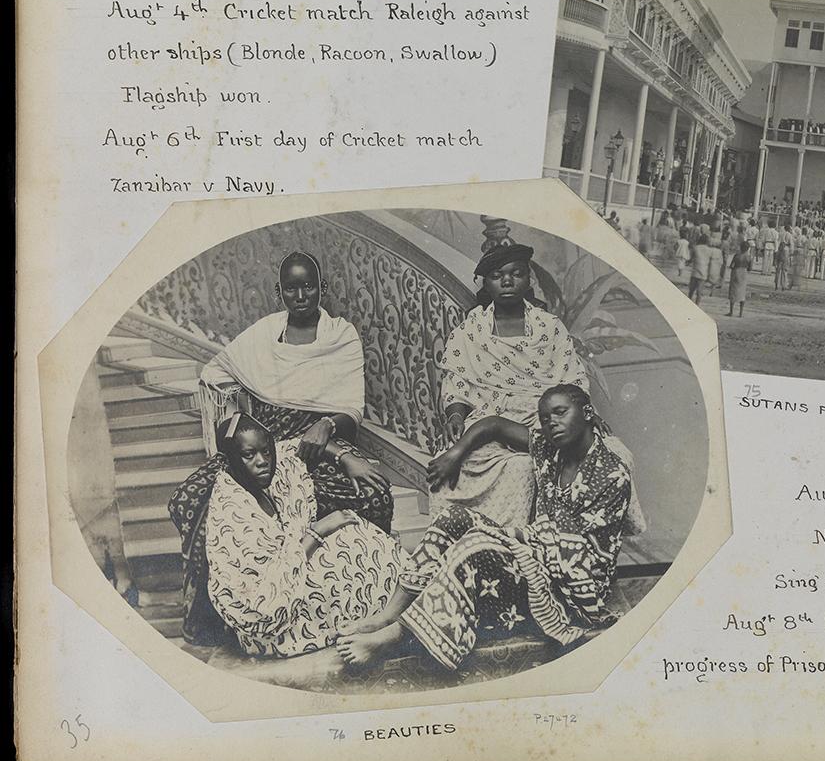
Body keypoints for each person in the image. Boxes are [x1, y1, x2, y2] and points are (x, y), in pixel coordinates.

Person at [168, 251, 392, 646]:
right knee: (192, 497)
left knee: (372, 492)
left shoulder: (341, 336)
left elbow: (352, 410)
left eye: (309, 286)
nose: (301, 294)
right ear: (280, 291)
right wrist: (240, 428)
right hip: (264, 445)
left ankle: (356, 598)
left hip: (318, 445)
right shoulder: (265, 334)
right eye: (292, 287)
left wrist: (325, 426)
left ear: (322, 288)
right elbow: (215, 374)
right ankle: (219, 615)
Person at [334, 385, 633, 672]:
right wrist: (456, 452)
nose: (551, 423)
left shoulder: (610, 475)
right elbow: (494, 425)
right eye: (544, 418)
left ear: (587, 413)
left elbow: (580, 553)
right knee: (455, 518)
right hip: (537, 557)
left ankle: (394, 636)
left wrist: (512, 537)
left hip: (572, 589)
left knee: (477, 545)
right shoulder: (549, 448)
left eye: (560, 412)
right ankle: (388, 615)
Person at [204, 413, 403, 658]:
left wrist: (346, 457)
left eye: (266, 451)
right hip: (274, 623)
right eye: (249, 455)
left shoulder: (270, 473)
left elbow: (297, 447)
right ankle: (382, 619)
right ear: (228, 461)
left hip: (294, 576)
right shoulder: (231, 510)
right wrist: (319, 531)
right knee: (343, 548)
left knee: (354, 533)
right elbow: (260, 604)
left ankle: (391, 610)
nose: (262, 461)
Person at [435, 242, 590, 527]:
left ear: (528, 278)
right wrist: (456, 414)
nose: (507, 281)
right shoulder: (471, 330)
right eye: (497, 275)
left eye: (516, 273)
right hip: (487, 418)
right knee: (458, 466)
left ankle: (516, 544)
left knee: (523, 466)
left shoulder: (549, 327)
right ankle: (471, 536)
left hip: (540, 418)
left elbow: (573, 381)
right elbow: (457, 382)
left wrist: (580, 416)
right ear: (486, 283)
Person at [728, 242, 751, 317]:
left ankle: (731, 311)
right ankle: (740, 313)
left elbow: (731, 265)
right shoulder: (749, 257)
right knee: (742, 292)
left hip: (736, 271)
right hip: (744, 273)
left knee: (733, 291)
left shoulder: (737, 255)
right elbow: (750, 268)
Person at [689, 232, 713, 304]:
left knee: (691, 290)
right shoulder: (710, 250)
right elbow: (710, 262)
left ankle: (688, 303)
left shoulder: (695, 248)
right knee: (699, 292)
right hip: (704, 272)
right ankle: (697, 305)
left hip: (695, 271)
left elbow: (691, 258)